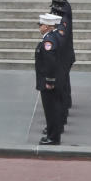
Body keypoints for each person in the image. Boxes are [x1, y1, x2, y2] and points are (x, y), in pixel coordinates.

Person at [35, 12, 65, 146]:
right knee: (53, 109)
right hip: (53, 79)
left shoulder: (49, 41)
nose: (39, 27)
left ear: (47, 26)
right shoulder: (53, 37)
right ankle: (53, 135)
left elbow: (50, 62)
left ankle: (53, 137)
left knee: (51, 109)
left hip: (49, 81)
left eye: (41, 25)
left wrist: (49, 81)